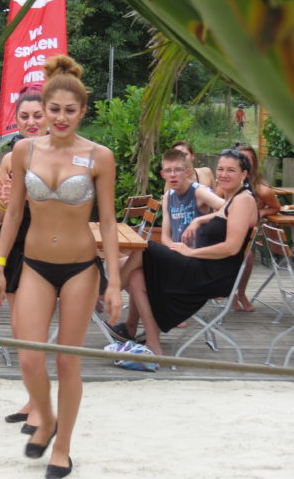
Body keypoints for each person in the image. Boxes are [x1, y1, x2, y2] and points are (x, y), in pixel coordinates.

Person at [0, 55, 121, 478]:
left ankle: (62, 447)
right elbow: (11, 215)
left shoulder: (99, 156)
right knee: (29, 358)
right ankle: (44, 416)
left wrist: (114, 282)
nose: (61, 118)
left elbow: (110, 221)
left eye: (70, 110)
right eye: (54, 109)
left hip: (81, 266)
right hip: (35, 265)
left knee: (67, 362)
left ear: (83, 112)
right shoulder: (24, 151)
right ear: (42, 109)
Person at [118, 148, 258, 357]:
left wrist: (190, 252)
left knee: (144, 251)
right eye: (220, 169)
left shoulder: (243, 200)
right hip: (202, 267)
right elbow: (223, 212)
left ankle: (110, 290)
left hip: (212, 274)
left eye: (231, 170)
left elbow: (231, 247)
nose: (223, 175)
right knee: (137, 276)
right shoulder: (233, 199)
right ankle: (153, 344)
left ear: (244, 174)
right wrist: (199, 219)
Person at [106, 148, 224, 342]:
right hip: (176, 259)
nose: (173, 175)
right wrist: (171, 249)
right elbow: (167, 236)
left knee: (142, 254)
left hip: (195, 264)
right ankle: (133, 327)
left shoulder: (199, 192)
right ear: (162, 174)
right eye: (168, 171)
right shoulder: (169, 196)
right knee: (130, 271)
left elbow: (229, 209)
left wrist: (199, 221)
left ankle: (110, 294)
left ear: (187, 172)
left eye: (177, 170)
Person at [0, 85, 46, 434]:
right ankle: (32, 398)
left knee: (32, 328)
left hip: (46, 243)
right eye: (24, 116)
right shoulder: (12, 157)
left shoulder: (62, 155)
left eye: (37, 115)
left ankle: (41, 405)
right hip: (15, 241)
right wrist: (3, 197)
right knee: (17, 328)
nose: (31, 122)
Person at [231, 144, 280, 312]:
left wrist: (260, 211)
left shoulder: (262, 190)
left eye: (249, 160)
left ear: (254, 164)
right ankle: (232, 295)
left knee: (248, 255)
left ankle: (241, 293)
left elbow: (276, 208)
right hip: (227, 230)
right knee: (237, 254)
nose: (245, 162)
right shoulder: (226, 183)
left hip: (246, 234)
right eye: (241, 159)